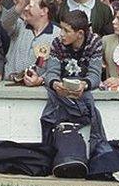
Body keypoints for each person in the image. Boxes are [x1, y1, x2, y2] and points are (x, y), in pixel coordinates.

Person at [41, 10, 107, 174]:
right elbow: (51, 73)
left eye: (66, 30)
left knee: (86, 97)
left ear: (80, 34)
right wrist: (56, 84)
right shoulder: (57, 43)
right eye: (61, 29)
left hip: (81, 88)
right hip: (61, 89)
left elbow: (95, 75)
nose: (61, 34)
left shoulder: (94, 42)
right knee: (53, 94)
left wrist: (83, 85)